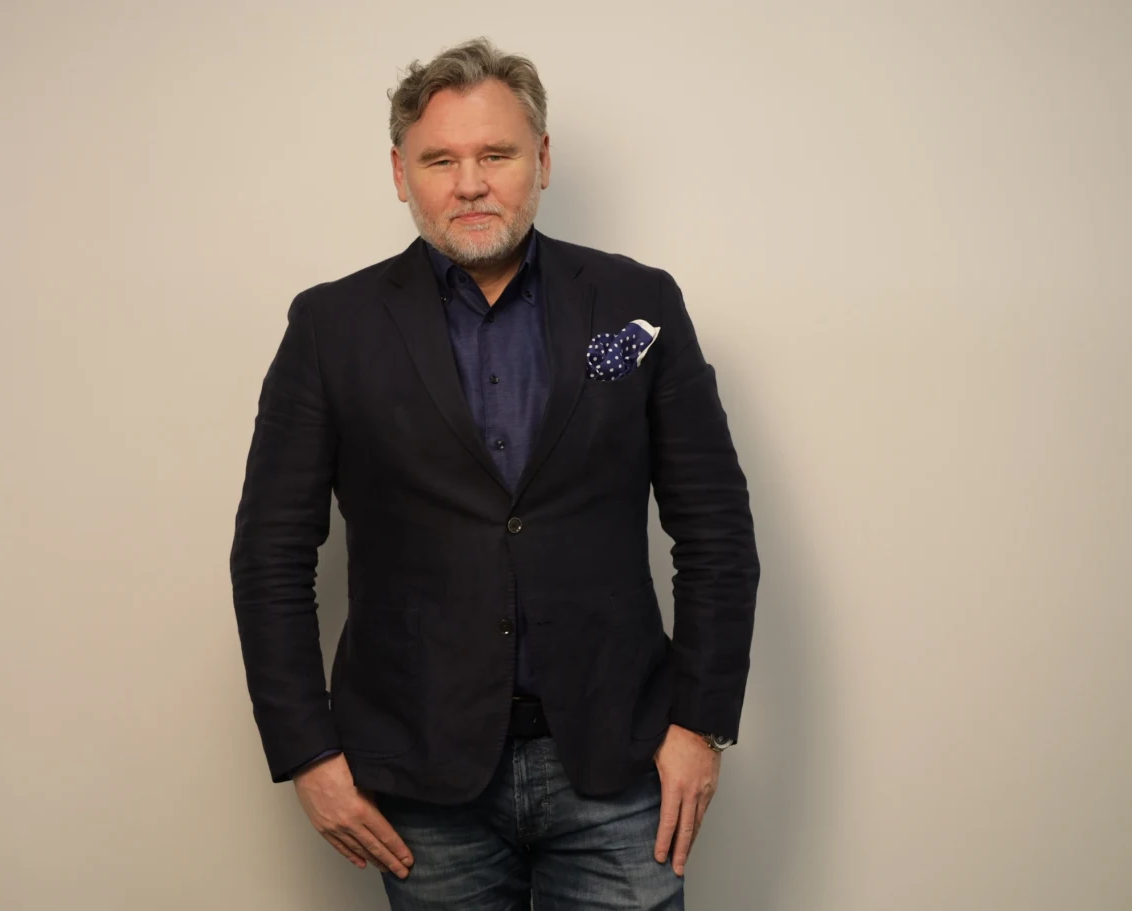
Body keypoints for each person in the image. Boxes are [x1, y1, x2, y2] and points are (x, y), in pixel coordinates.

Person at [229, 36, 760, 911]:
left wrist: (700, 725)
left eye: (496, 155)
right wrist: (308, 755)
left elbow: (716, 531)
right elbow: (271, 556)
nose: (469, 183)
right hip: (420, 779)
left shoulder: (639, 302)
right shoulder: (330, 327)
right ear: (400, 173)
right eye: (440, 160)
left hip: (619, 765)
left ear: (541, 160)